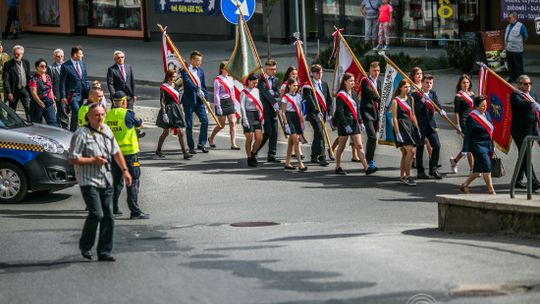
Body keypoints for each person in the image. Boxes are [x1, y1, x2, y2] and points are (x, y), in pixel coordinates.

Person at [69, 102, 132, 262]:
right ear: (88, 117)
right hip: (88, 180)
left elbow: (116, 151)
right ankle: (85, 245)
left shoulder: (106, 130)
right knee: (96, 213)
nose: (100, 118)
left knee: (109, 216)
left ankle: (104, 251)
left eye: (102, 114)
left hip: (105, 179)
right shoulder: (80, 134)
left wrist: (125, 171)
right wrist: (93, 160)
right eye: (96, 115)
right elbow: (73, 158)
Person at [106, 91, 149, 219]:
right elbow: (140, 124)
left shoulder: (108, 115)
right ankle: (134, 211)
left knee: (116, 182)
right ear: (124, 102)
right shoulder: (128, 114)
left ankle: (113, 208)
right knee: (133, 182)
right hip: (130, 155)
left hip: (114, 155)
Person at [333, 73, 373, 175]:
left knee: (359, 145)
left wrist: (360, 121)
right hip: (344, 123)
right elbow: (340, 111)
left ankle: (366, 168)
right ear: (345, 82)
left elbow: (357, 109)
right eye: (350, 81)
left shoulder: (354, 93)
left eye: (353, 81)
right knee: (341, 146)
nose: (353, 83)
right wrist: (345, 124)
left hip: (354, 122)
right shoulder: (340, 95)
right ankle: (338, 167)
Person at [412, 74, 447, 180]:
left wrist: (441, 110)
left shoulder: (432, 93)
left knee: (437, 146)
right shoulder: (415, 94)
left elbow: (437, 104)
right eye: (426, 82)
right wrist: (423, 99)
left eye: (430, 83)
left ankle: (433, 169)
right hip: (420, 125)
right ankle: (420, 171)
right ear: (422, 83)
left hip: (431, 125)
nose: (428, 85)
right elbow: (416, 109)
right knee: (420, 148)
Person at [460, 96, 496, 195]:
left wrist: (493, 145)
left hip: (487, 145)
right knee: (487, 167)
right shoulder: (471, 117)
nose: (484, 108)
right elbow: (467, 135)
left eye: (485, 105)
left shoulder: (487, 114)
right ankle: (491, 190)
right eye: (482, 106)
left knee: (477, 170)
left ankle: (465, 185)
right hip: (477, 146)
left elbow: (490, 131)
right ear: (476, 106)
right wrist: (465, 150)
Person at [510, 75, 540, 191]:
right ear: (519, 85)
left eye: (529, 83)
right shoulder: (516, 95)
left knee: (523, 155)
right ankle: (533, 182)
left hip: (531, 130)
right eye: (525, 84)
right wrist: (532, 104)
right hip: (520, 132)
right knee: (526, 156)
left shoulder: (532, 95)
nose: (528, 86)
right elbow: (519, 104)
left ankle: (517, 181)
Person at [155, 69, 191, 160]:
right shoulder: (164, 87)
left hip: (177, 109)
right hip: (168, 110)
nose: (173, 78)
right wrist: (164, 113)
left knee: (181, 131)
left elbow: (185, 78)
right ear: (168, 76)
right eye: (172, 77)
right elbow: (162, 101)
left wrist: (184, 68)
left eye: (175, 77)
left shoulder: (176, 85)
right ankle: (158, 150)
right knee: (166, 132)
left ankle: (185, 153)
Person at [180, 51, 210, 154]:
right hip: (189, 101)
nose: (199, 63)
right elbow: (188, 83)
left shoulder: (201, 71)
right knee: (189, 124)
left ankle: (201, 143)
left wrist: (207, 100)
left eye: (200, 61)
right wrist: (197, 89)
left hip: (200, 101)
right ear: (192, 60)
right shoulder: (185, 71)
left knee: (205, 121)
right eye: (198, 60)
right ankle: (191, 146)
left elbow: (204, 86)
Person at [391, 80, 419, 186]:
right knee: (411, 151)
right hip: (401, 128)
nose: (407, 89)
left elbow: (412, 115)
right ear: (400, 88)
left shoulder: (411, 99)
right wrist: (397, 133)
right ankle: (408, 176)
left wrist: (417, 128)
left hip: (410, 127)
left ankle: (402, 176)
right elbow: (394, 118)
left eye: (408, 87)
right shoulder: (395, 101)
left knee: (405, 153)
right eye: (405, 87)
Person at [302, 64, 331, 166]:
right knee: (320, 133)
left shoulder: (324, 84)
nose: (319, 74)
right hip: (313, 114)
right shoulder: (308, 85)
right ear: (313, 73)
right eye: (317, 72)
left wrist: (329, 112)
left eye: (321, 72)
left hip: (322, 113)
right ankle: (322, 157)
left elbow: (328, 100)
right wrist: (316, 111)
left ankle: (314, 156)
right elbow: (309, 99)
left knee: (318, 134)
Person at [208, 61, 239, 150]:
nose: (228, 70)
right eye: (226, 68)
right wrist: (218, 106)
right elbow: (216, 94)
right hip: (221, 102)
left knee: (233, 122)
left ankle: (233, 144)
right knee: (221, 125)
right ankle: (211, 138)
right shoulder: (217, 80)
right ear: (221, 69)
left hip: (229, 101)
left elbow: (232, 92)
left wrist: (234, 103)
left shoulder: (230, 79)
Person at [60, 45, 90, 131]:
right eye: (81, 54)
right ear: (75, 55)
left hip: (82, 94)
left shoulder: (82, 63)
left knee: (79, 113)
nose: (82, 55)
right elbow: (62, 82)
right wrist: (63, 96)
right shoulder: (65, 66)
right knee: (76, 111)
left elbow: (85, 78)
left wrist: (88, 91)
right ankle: (73, 131)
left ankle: (76, 129)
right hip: (72, 95)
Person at [256, 59, 281, 162]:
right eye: (271, 69)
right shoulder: (260, 79)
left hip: (273, 110)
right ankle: (255, 149)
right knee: (268, 132)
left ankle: (271, 154)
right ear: (266, 69)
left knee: (274, 132)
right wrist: (274, 100)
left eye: (275, 69)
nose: (273, 71)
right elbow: (264, 92)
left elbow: (277, 93)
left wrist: (273, 95)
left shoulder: (275, 79)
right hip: (265, 109)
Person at [450, 74, 474, 174]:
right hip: (464, 122)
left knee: (469, 145)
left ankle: (454, 161)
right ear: (460, 84)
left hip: (473, 121)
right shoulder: (458, 96)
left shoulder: (472, 94)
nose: (465, 84)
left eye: (467, 82)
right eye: (463, 82)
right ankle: (473, 169)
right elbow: (456, 112)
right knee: (469, 145)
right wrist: (457, 125)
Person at [359, 61, 381, 172]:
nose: (376, 73)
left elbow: (381, 96)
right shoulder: (365, 81)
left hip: (376, 113)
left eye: (378, 70)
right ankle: (369, 161)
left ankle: (370, 159)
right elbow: (371, 94)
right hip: (367, 113)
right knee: (372, 136)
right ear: (369, 70)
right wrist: (381, 99)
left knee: (374, 138)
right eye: (374, 70)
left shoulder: (379, 82)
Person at [282, 78, 307, 171]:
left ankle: (287, 163)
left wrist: (302, 122)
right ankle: (300, 164)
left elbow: (300, 110)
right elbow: (283, 112)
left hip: (297, 118)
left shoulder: (299, 96)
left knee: (291, 143)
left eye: (296, 86)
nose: (295, 87)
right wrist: (286, 124)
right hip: (289, 118)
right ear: (289, 86)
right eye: (293, 85)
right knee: (296, 142)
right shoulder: (285, 97)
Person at [240, 73, 264, 167]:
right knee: (249, 138)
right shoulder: (244, 92)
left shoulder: (257, 90)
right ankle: (249, 157)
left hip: (256, 115)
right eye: (254, 83)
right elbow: (242, 106)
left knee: (259, 138)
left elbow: (259, 104)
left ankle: (254, 153)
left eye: (256, 83)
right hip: (247, 114)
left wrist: (261, 116)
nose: (255, 85)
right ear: (249, 81)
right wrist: (244, 118)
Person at [2, 45, 31, 121]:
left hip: (25, 90)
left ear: (22, 54)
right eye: (15, 53)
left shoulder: (26, 62)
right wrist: (9, 92)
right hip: (13, 91)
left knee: (28, 108)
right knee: (12, 111)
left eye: (18, 54)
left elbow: (28, 76)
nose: (16, 55)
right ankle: (11, 125)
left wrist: (30, 89)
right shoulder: (8, 64)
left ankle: (30, 123)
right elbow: (5, 79)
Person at [28, 58, 59, 126]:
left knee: (53, 122)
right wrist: (39, 102)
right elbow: (33, 92)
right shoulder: (33, 79)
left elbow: (50, 89)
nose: (44, 67)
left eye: (45, 66)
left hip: (48, 103)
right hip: (37, 104)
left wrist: (53, 102)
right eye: (42, 66)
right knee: (37, 124)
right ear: (37, 67)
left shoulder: (48, 77)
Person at [47, 49, 69, 129]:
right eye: (58, 56)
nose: (60, 58)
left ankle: (58, 125)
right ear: (54, 57)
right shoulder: (51, 68)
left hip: (69, 94)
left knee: (65, 111)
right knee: (62, 111)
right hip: (58, 94)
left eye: (61, 56)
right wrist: (51, 93)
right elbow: (50, 83)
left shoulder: (68, 65)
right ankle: (64, 128)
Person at [505, 12, 528, 83]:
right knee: (510, 65)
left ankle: (520, 80)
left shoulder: (521, 26)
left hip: (517, 50)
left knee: (518, 66)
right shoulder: (508, 26)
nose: (508, 19)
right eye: (508, 18)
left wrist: (521, 43)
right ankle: (512, 78)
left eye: (510, 18)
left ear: (514, 18)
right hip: (509, 49)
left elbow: (525, 36)